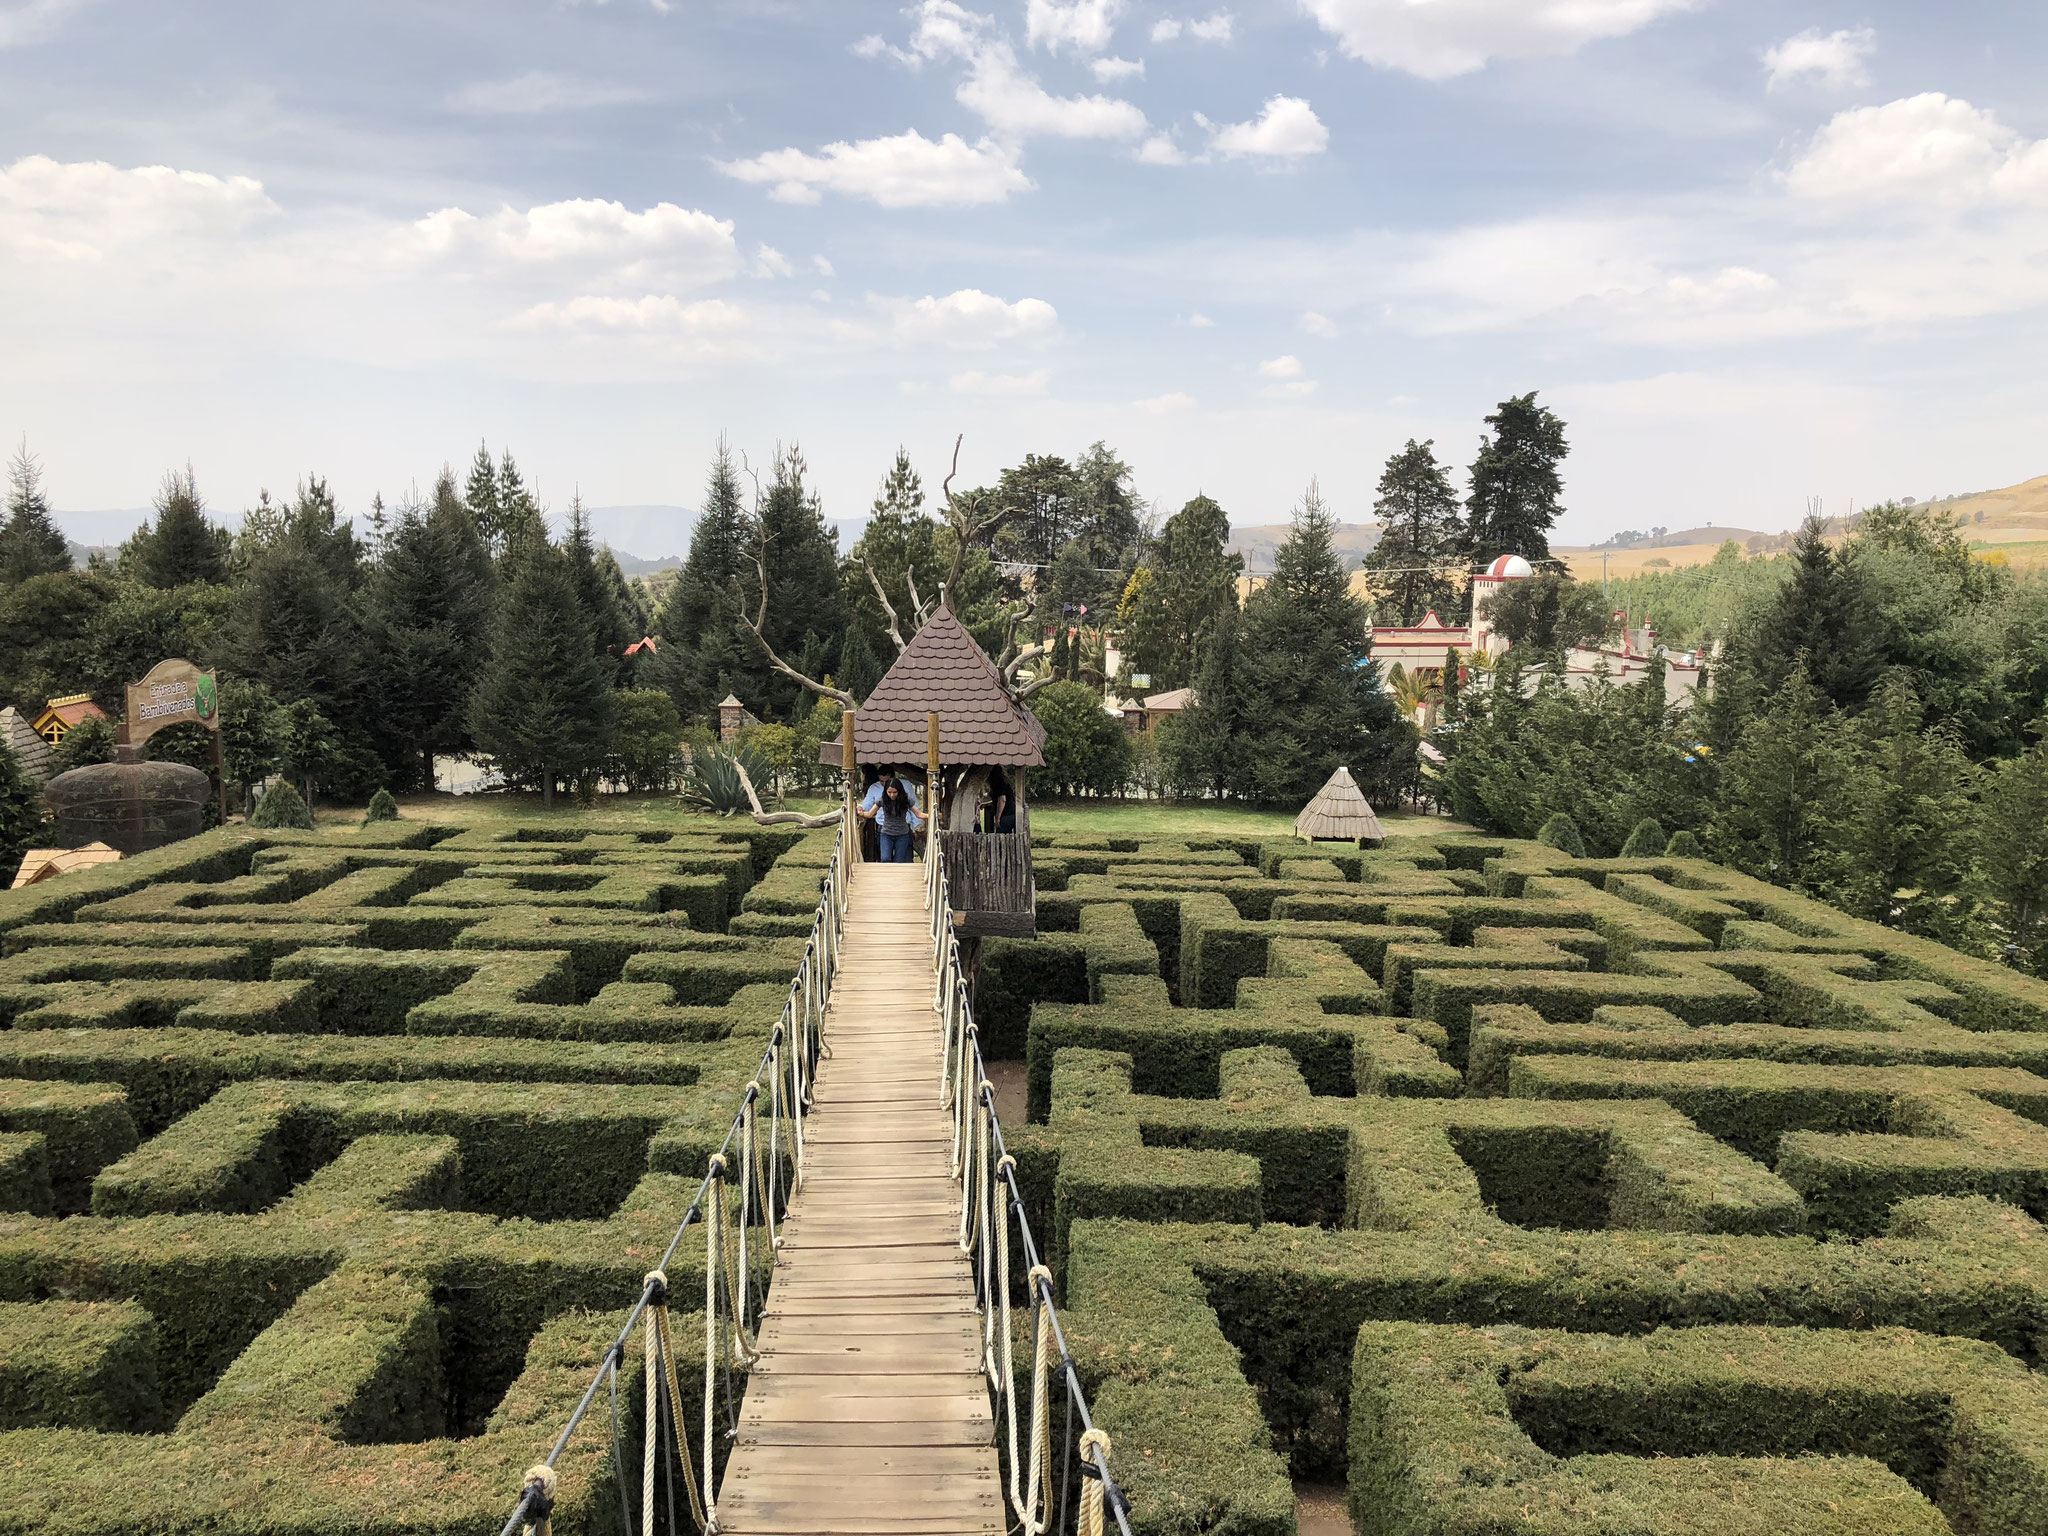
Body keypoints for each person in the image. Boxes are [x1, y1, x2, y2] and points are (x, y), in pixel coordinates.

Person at [862, 772, 923, 862]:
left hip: (902, 834)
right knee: (885, 859)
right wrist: (860, 812)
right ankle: (887, 876)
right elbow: (870, 813)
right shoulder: (882, 799)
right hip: (886, 833)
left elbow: (918, 813)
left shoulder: (906, 799)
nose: (892, 795)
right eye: (889, 792)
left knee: (899, 860)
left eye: (894, 792)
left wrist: (931, 815)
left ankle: (898, 876)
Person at [983, 768, 1017, 834]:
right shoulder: (1004, 782)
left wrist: (997, 817)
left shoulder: (999, 783)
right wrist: (989, 804)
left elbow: (1002, 800)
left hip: (1005, 815)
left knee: (1001, 837)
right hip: (1009, 814)